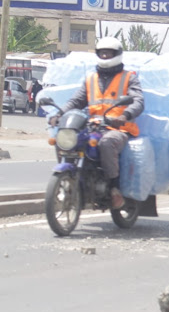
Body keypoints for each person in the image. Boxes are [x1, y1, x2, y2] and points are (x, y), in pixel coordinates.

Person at [48, 37, 144, 210]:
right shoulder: (91, 79)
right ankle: (72, 177)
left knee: (106, 143)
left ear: (117, 54)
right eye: (102, 52)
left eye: (109, 53)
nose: (105, 55)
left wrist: (125, 115)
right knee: (65, 139)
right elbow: (76, 101)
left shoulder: (129, 78)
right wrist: (59, 113)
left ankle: (114, 188)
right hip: (93, 126)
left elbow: (138, 101)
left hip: (119, 128)